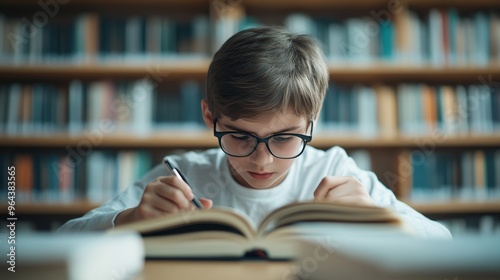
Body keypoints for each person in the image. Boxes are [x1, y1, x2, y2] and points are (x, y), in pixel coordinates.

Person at [59, 26, 451, 238]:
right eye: (241, 137)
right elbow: (65, 238)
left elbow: (442, 243)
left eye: (285, 138)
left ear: (311, 123)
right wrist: (128, 219)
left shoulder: (335, 168)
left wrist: (380, 218)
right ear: (210, 118)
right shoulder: (183, 174)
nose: (261, 160)